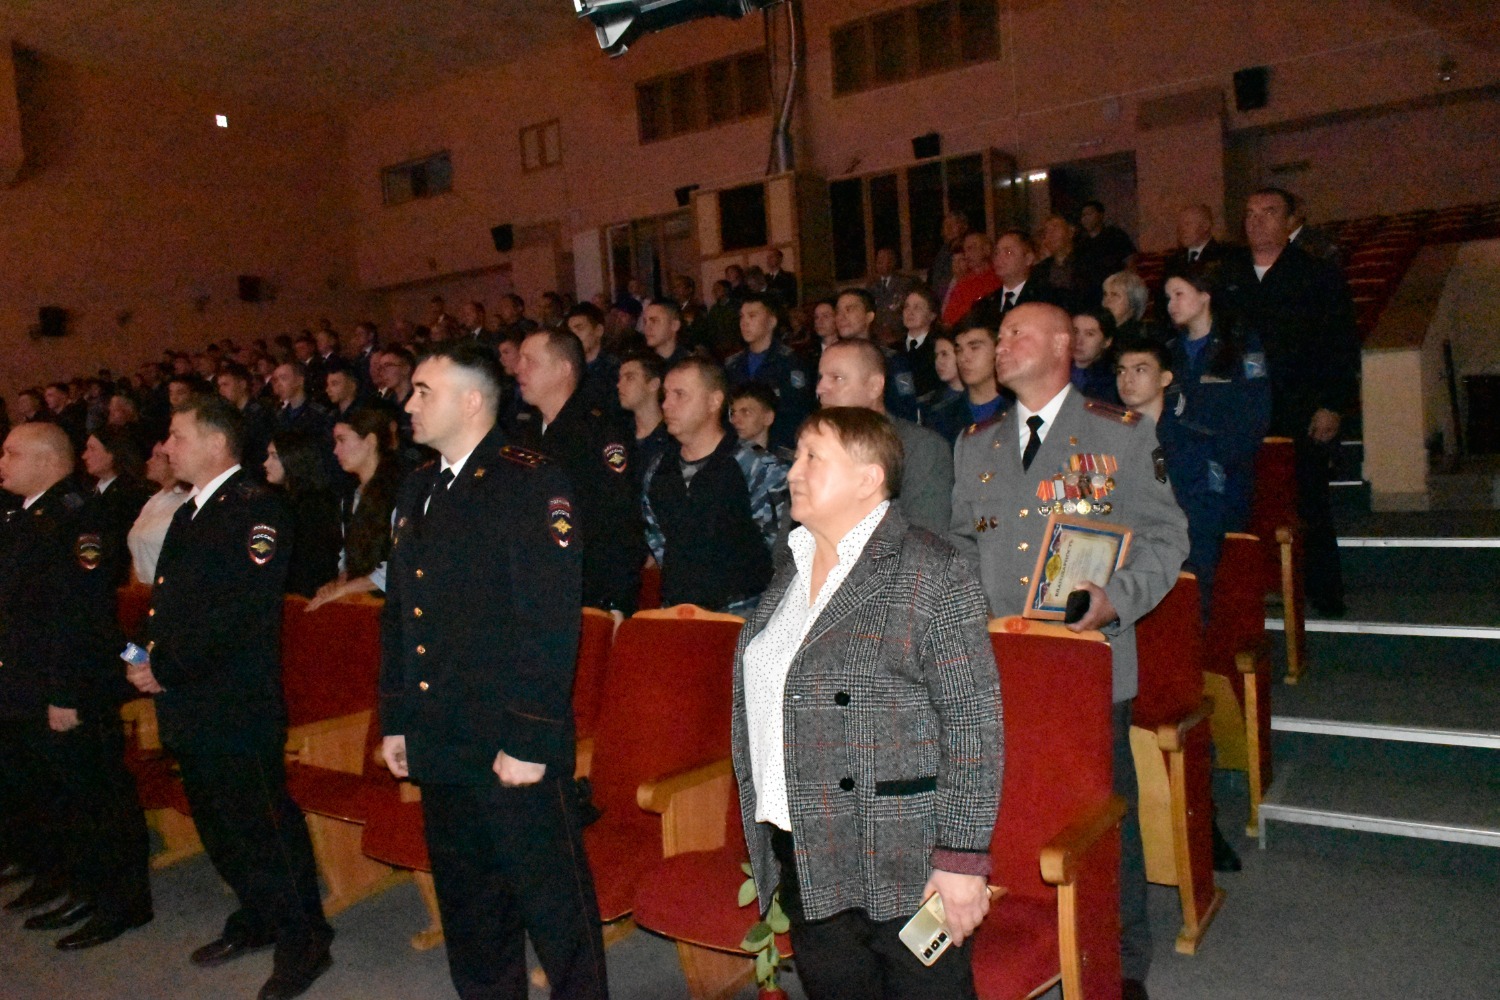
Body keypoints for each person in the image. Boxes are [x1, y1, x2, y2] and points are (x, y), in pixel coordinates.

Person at [950, 302, 1188, 1000]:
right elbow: (960, 544)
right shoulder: (975, 444)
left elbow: (1167, 537)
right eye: (998, 336)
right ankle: (1017, 928)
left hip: (1086, 661)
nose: (1002, 344)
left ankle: (1121, 959)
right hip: (997, 661)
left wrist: (1117, 598)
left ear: (1062, 345)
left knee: (1101, 815)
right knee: (1004, 804)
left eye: (1016, 333)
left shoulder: (1120, 434)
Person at [733, 407, 1001, 1000]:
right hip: (804, 844)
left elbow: (974, 725)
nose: (792, 472)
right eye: (796, 456)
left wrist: (961, 860)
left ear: (867, 478)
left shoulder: (931, 570)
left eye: (813, 457)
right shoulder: (791, 569)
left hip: (898, 849)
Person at [379, 340, 607, 1000]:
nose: (409, 404)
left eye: (424, 392)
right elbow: (401, 615)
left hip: (510, 738)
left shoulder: (530, 480)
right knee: (470, 909)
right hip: (441, 735)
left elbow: (550, 620)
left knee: (554, 910)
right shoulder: (418, 487)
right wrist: (397, 718)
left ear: (473, 401)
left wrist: (531, 737)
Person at [129, 395, 332, 1000]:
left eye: (178, 436)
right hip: (189, 698)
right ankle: (258, 915)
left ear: (217, 443)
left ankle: (305, 938)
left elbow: (240, 613)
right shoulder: (193, 510)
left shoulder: (256, 508)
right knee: (221, 827)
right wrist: (142, 658)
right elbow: (169, 604)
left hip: (233, 702)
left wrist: (166, 667)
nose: (166, 447)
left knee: (264, 826)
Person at [0, 423, 152, 950]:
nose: (2, 461)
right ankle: (71, 881)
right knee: (51, 791)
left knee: (95, 796)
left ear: (47, 461)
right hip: (25, 677)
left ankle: (121, 901)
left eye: (11, 453)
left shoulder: (81, 517)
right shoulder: (25, 514)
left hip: (68, 682)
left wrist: (64, 692)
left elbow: (80, 612)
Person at [1221, 187, 1359, 616]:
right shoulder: (1228, 276)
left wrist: (1332, 404)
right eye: (1250, 213)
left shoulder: (1317, 274)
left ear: (1289, 221)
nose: (1257, 220)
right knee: (1247, 501)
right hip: (1242, 410)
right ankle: (1259, 588)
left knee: (1308, 502)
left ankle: (1324, 592)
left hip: (1301, 408)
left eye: (1268, 212)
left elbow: (1341, 344)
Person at [514, 328, 642, 616]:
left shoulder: (599, 432)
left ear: (562, 369)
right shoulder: (523, 434)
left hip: (587, 593)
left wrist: (616, 602)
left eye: (529, 361)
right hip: (533, 591)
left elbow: (619, 521)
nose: (518, 369)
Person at [643, 357, 780, 614]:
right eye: (666, 395)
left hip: (743, 616)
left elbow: (779, 544)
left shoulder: (756, 465)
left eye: (680, 395)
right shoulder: (659, 469)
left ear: (714, 401)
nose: (666, 404)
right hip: (679, 612)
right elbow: (658, 538)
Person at [1162, 264, 1272, 534]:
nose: (1171, 305)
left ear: (1204, 295)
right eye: (1168, 297)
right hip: (1177, 471)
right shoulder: (1168, 353)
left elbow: (1256, 410)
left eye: (1179, 294)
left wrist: (1221, 457)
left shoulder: (1240, 344)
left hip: (1225, 472)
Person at [817, 339, 954, 535]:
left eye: (836, 378)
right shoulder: (816, 448)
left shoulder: (919, 448)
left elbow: (926, 539)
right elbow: (790, 539)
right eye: (821, 377)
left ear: (874, 386)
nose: (821, 388)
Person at [306, 408, 403, 611]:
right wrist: (339, 582)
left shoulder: (400, 493)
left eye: (342, 440)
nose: (335, 451)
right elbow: (347, 553)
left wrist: (348, 587)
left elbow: (402, 562)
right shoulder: (350, 497)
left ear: (370, 441)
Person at [724, 292, 817, 452]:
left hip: (778, 447)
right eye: (742, 317)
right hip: (740, 448)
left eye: (752, 316)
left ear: (771, 321)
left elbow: (796, 412)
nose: (744, 322)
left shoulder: (790, 362)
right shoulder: (733, 364)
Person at [264, 431, 342, 599]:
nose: (266, 463)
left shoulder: (315, 506)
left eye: (274, 457)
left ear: (294, 459)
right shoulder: (280, 501)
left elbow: (310, 562)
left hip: (307, 597)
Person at [834, 288, 920, 421]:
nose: (841, 317)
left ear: (869, 316)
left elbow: (906, 409)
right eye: (838, 312)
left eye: (849, 309)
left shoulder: (891, 360)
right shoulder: (832, 361)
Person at [83, 427, 155, 578]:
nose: (85, 456)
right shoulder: (90, 492)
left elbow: (116, 545)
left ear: (112, 454)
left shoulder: (128, 496)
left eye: (92, 449)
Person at [924, 320, 1012, 443]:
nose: (964, 358)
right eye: (959, 350)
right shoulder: (941, 417)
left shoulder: (1019, 409)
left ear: (997, 349)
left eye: (974, 348)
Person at [126, 440, 191, 584]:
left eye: (157, 456)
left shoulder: (186, 502)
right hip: (142, 589)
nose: (149, 461)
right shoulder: (154, 500)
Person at [616, 352, 671, 498]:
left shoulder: (672, 438)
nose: (619, 385)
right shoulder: (617, 433)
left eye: (630, 378)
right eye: (620, 378)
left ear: (653, 384)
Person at [1075, 200, 1138, 294]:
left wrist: (1125, 286)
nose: (1085, 218)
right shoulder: (1081, 243)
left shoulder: (1115, 235)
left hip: (1113, 288)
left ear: (1101, 215)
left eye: (1089, 214)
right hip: (1089, 291)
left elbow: (1130, 260)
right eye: (1083, 215)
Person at [941, 232, 1000, 328]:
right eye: (966, 250)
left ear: (986, 249)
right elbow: (948, 319)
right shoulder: (962, 284)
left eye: (972, 248)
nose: (967, 255)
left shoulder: (1000, 277)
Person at [900, 285, 945, 399]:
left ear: (932, 315)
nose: (910, 312)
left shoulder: (939, 348)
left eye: (917, 307)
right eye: (906, 307)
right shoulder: (894, 348)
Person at [1071, 309, 1122, 405]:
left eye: (1089, 334)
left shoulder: (1112, 381)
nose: (1078, 341)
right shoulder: (1054, 369)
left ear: (1107, 342)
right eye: (1075, 331)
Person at [728, 382, 782, 457]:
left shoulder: (783, 460)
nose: (734, 420)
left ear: (768, 418)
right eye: (733, 413)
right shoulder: (723, 455)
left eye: (746, 413)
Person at [1102, 270, 1153, 345]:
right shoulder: (1101, 332)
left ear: (1132, 302)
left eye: (1115, 295)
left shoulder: (1137, 340)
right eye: (1105, 294)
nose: (1107, 300)